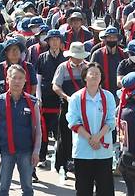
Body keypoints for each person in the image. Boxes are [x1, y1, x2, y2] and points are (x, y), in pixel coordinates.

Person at [0, 64, 42, 196]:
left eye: (20, 78)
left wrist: (36, 151)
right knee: (3, 188)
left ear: (25, 81)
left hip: (26, 151)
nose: (17, 81)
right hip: (6, 150)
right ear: (7, 79)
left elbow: (38, 130)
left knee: (28, 188)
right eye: (14, 78)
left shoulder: (32, 102)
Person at [66, 62, 117, 196]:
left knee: (105, 189)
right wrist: (90, 138)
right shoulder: (76, 98)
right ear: (85, 77)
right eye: (91, 73)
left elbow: (111, 120)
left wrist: (98, 137)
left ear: (101, 77)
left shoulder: (108, 96)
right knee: (83, 189)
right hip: (83, 150)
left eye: (97, 74)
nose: (94, 76)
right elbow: (73, 122)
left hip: (104, 151)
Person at [52, 41, 89, 181]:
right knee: (65, 136)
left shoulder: (87, 66)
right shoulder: (63, 67)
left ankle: (78, 162)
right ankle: (62, 164)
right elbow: (55, 86)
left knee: (83, 134)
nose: (79, 59)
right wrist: (66, 97)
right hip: (67, 106)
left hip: (85, 106)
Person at [35, 29, 66, 168]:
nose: (54, 42)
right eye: (51, 39)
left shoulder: (65, 57)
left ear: (61, 42)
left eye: (57, 39)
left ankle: (61, 160)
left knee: (61, 130)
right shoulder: (42, 57)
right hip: (46, 98)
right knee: (43, 130)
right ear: (47, 42)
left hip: (61, 98)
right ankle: (42, 157)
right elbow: (38, 79)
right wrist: (38, 97)